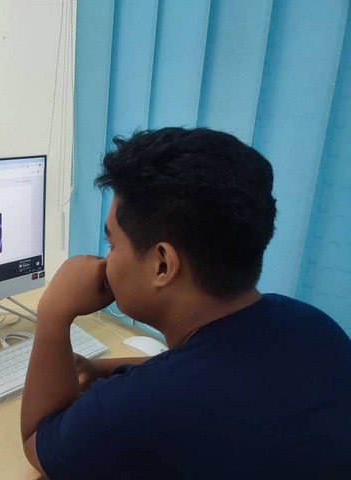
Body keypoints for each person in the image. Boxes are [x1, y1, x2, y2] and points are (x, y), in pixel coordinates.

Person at [21, 127, 351, 479]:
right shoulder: (313, 325)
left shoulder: (133, 410)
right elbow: (214, 368)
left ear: (162, 264)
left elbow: (38, 439)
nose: (106, 259)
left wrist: (53, 313)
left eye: (113, 244)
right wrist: (102, 368)